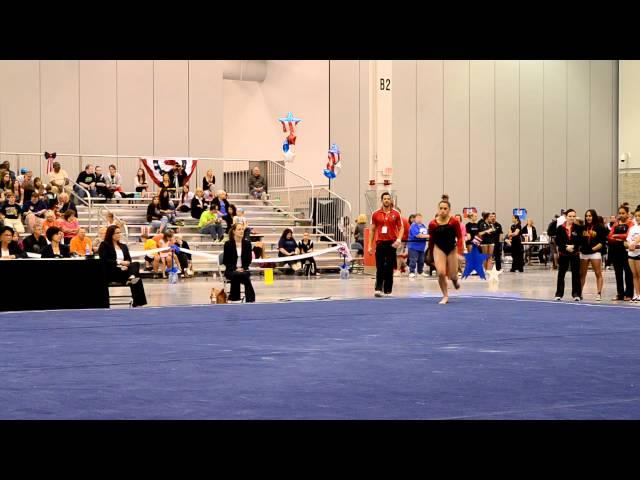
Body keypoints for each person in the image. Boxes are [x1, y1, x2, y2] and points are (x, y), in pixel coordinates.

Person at [98, 225, 147, 307]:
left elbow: (128, 259)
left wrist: (127, 263)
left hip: (125, 271)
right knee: (136, 278)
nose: (119, 234)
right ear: (111, 234)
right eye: (117, 233)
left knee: (136, 264)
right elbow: (104, 260)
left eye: (120, 232)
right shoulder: (104, 245)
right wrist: (120, 263)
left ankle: (131, 277)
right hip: (112, 271)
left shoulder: (123, 246)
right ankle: (138, 301)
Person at [427, 196, 462, 304]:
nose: (442, 211)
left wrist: (459, 252)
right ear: (438, 209)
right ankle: (445, 296)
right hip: (439, 248)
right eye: (441, 208)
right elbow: (431, 240)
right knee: (441, 273)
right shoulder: (433, 224)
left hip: (452, 248)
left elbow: (460, 237)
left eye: (445, 208)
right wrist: (430, 254)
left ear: (449, 210)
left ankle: (455, 280)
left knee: (452, 275)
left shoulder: (454, 222)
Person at [368, 192, 404, 298]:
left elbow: (401, 227)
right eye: (385, 199)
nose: (387, 200)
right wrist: (370, 245)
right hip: (380, 243)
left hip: (392, 243)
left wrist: (399, 239)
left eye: (388, 199)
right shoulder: (375, 214)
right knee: (380, 267)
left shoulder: (396, 214)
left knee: (389, 267)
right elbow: (372, 230)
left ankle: (388, 290)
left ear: (391, 200)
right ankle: (378, 289)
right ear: (382, 200)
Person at [554, 209, 583, 301]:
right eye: (570, 216)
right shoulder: (560, 228)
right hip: (563, 254)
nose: (572, 218)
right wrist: (565, 247)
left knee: (576, 274)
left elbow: (580, 240)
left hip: (575, 254)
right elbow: (558, 241)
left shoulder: (578, 228)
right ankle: (559, 294)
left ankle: (576, 294)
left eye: (574, 216)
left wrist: (574, 246)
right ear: (566, 217)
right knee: (561, 274)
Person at [222, 223, 256, 303]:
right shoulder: (228, 244)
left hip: (244, 269)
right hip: (231, 270)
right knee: (238, 275)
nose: (241, 231)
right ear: (234, 231)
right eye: (239, 229)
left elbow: (248, 260)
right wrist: (235, 269)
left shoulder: (247, 244)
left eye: (242, 229)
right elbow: (226, 261)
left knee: (242, 274)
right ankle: (251, 299)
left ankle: (234, 298)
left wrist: (243, 268)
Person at [579, 209, 608, 301]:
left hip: (595, 253)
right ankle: (579, 293)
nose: (588, 217)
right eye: (587, 216)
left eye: (590, 216)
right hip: (584, 253)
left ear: (594, 216)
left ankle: (599, 293)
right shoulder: (583, 228)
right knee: (582, 274)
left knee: (598, 273)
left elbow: (602, 242)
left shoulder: (600, 227)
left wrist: (592, 249)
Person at [608, 205, 634, 301]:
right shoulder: (615, 224)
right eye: (620, 213)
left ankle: (629, 294)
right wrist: (618, 238)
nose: (621, 215)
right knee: (618, 273)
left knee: (628, 272)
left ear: (627, 214)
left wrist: (617, 236)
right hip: (616, 251)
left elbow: (628, 236)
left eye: (623, 213)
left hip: (626, 251)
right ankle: (620, 294)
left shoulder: (631, 223)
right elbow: (609, 237)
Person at [408, 213, 429, 278]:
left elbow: (426, 234)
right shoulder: (413, 226)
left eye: (420, 218)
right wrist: (429, 236)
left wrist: (427, 236)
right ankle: (411, 272)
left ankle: (420, 271)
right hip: (413, 246)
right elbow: (418, 235)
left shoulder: (423, 226)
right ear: (415, 219)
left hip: (421, 247)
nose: (419, 219)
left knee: (421, 260)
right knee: (413, 260)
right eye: (418, 218)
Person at [625, 208, 640, 302]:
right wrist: (629, 245)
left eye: (639, 216)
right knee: (634, 275)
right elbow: (627, 240)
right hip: (631, 253)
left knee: (639, 274)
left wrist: (634, 244)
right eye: (636, 216)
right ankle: (636, 294)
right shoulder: (632, 228)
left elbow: (638, 238)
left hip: (639, 253)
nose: (638, 218)